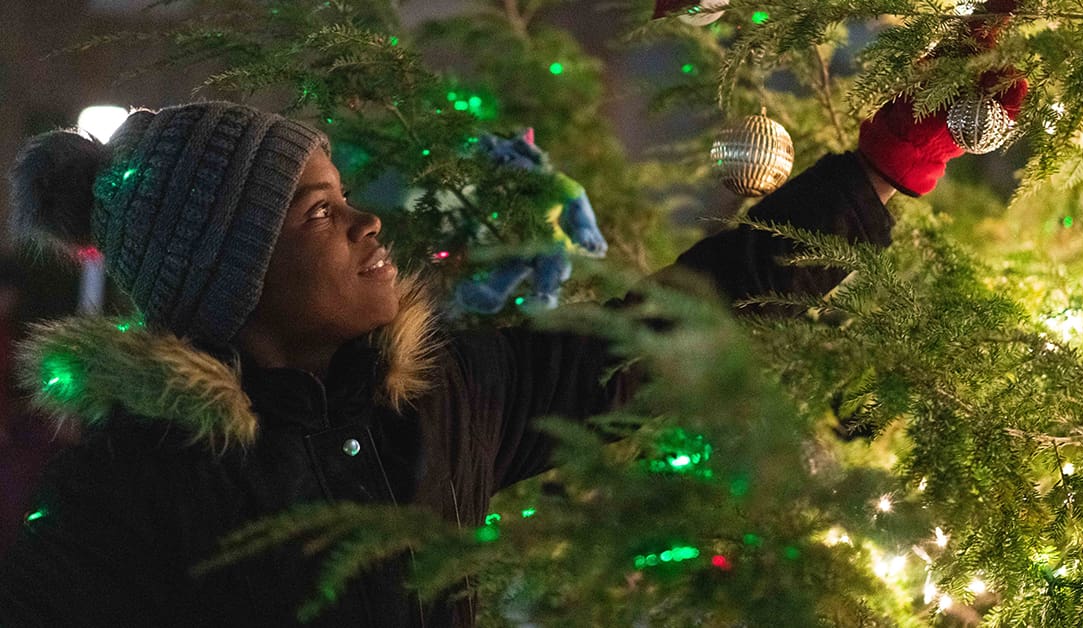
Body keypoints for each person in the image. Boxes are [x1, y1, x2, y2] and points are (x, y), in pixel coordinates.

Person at [0, 61, 1022, 626]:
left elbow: (674, 322)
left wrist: (887, 165)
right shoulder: (131, 484)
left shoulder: (445, 394)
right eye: (319, 214)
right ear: (230, 278)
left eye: (349, 199)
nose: (369, 225)